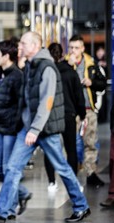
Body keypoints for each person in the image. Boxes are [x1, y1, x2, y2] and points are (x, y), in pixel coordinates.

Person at [0, 31, 90, 223]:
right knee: (12, 167)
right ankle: (3, 209)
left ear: (35, 46)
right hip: (28, 129)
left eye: (24, 43)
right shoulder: (30, 66)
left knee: (62, 167)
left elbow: (47, 102)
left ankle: (81, 206)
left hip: (44, 130)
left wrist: (35, 130)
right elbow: (27, 100)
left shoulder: (47, 68)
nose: (20, 47)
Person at [0, 39, 32, 217]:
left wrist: (15, 124)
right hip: (0, 128)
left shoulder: (17, 76)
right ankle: (22, 193)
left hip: (11, 128)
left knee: (7, 168)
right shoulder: (1, 75)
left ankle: (8, 209)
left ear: (6, 56)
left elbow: (20, 104)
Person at [43, 43, 86, 192]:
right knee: (71, 149)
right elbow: (79, 96)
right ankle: (73, 183)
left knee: (50, 148)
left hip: (51, 115)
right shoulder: (71, 73)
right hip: (69, 114)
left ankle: (51, 182)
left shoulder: (47, 71)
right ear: (63, 55)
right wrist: (82, 114)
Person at [66, 35, 107, 187]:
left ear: (82, 49)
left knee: (90, 142)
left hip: (88, 110)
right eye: (71, 47)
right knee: (70, 144)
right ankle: (70, 174)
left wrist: (92, 83)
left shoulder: (91, 64)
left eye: (76, 48)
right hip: (71, 111)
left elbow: (102, 84)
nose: (73, 51)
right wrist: (68, 67)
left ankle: (91, 173)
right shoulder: (64, 64)